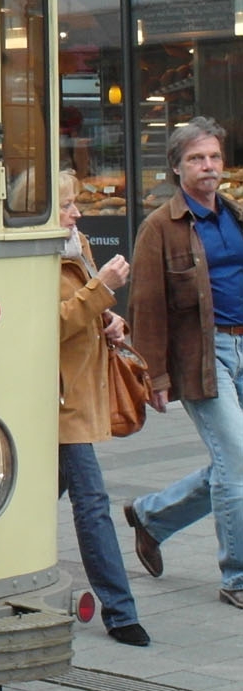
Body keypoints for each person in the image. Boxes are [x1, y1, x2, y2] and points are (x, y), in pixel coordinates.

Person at [124, 117, 243, 610]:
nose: (208, 166)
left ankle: (153, 517)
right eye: (197, 158)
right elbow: (145, 306)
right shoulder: (160, 227)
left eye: (214, 157)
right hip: (203, 355)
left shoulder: (233, 214)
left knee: (232, 461)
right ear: (176, 167)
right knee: (236, 465)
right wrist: (154, 375)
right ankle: (237, 578)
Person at [58, 171, 150, 646]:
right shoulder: (34, 257)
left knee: (35, 499)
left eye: (75, 203)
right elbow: (48, 325)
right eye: (66, 205)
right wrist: (103, 290)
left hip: (78, 393)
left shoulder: (77, 244)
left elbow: (87, 311)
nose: (76, 213)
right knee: (92, 503)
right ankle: (121, 613)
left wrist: (112, 318)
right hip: (58, 400)